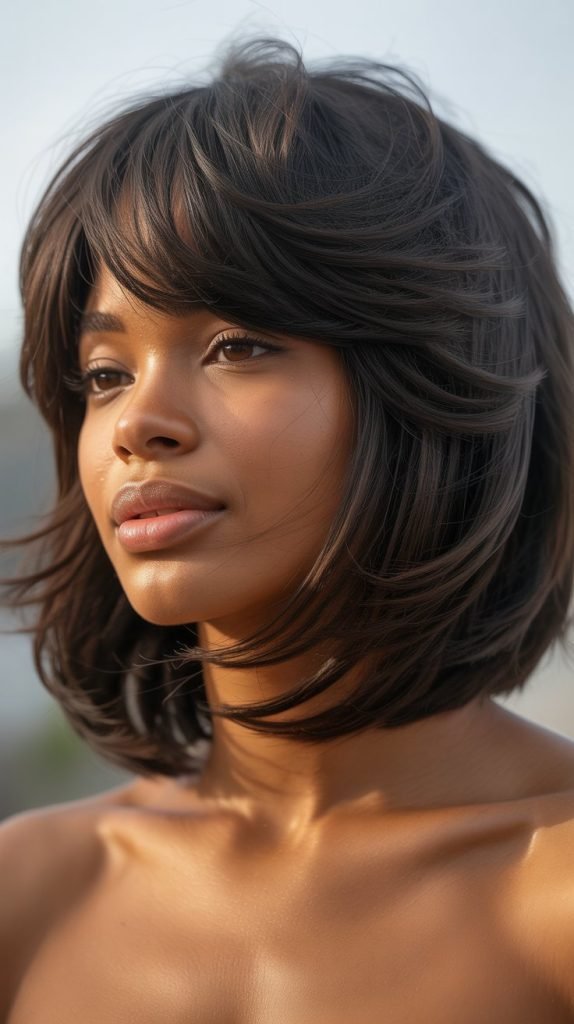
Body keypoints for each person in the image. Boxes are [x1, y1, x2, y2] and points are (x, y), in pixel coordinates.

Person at [1, 35, 574, 1022]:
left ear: (434, 387)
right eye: (105, 374)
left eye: (236, 345)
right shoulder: (28, 892)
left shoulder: (553, 897)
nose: (139, 423)